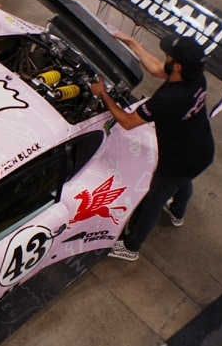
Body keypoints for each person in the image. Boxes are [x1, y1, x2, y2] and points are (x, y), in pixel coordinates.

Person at [89, 33, 215, 261]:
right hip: (202, 149)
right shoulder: (197, 77)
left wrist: (103, 94)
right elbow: (158, 69)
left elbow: (127, 122)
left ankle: (131, 247)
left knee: (152, 203)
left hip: (177, 161)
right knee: (183, 181)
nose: (165, 57)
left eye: (169, 55)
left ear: (178, 66)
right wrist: (131, 42)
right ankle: (177, 212)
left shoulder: (169, 98)